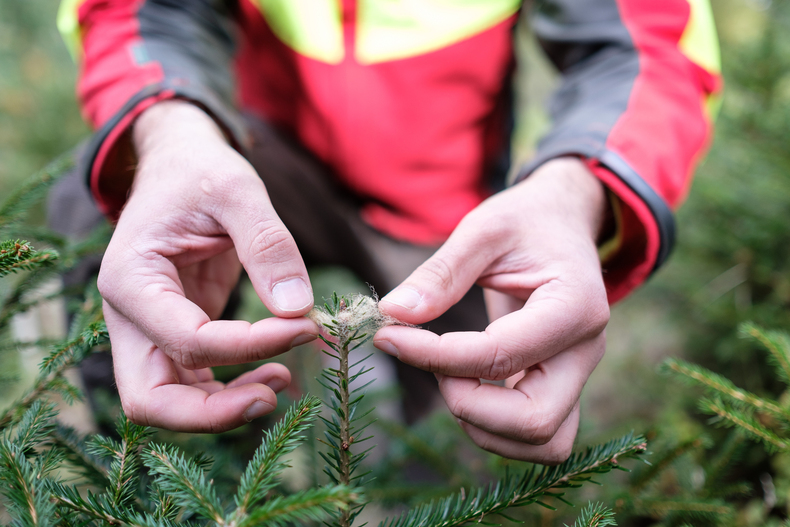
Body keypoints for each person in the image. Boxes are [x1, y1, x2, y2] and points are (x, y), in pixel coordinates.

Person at [56, 0, 722, 463]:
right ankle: (162, 478)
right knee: (111, 200)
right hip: (260, 168)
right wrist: (169, 130)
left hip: (449, 224)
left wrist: (576, 190)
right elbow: (139, 8)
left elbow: (648, 45)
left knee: (472, 457)